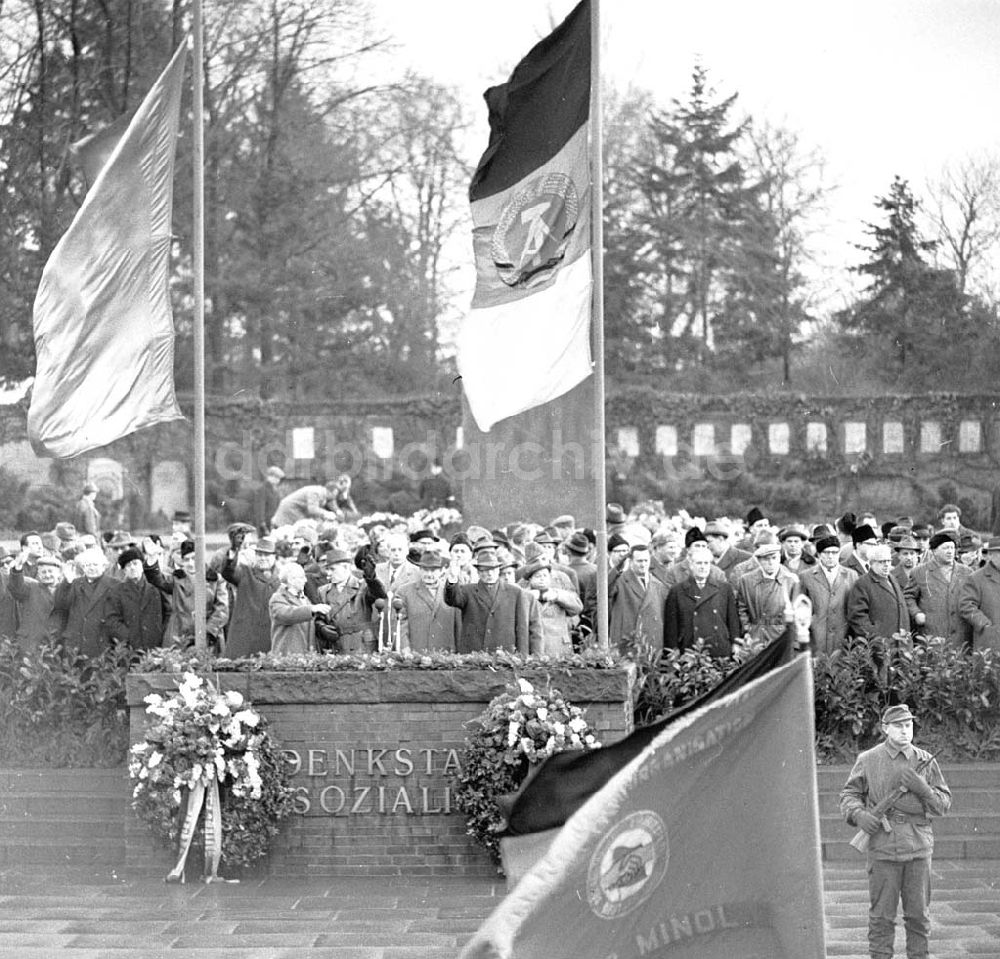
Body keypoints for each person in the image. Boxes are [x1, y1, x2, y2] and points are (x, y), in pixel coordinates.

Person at [839, 703, 951, 959]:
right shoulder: (868, 760)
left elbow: (943, 805)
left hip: (918, 846)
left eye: (908, 725)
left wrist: (923, 789)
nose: (904, 730)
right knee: (881, 918)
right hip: (883, 846)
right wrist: (859, 815)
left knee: (919, 918)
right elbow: (849, 794)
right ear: (885, 728)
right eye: (898, 726)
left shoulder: (925, 760)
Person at [444, 547, 540, 654]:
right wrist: (453, 578)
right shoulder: (468, 591)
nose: (490, 574)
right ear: (479, 572)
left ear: (498, 570)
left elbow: (522, 629)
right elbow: (452, 599)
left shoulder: (515, 593)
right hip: (474, 655)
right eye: (485, 570)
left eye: (493, 569)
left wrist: (522, 657)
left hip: (506, 656)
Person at [142, 539, 229, 652]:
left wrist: (206, 634)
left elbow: (222, 610)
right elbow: (157, 579)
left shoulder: (215, 579)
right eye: (187, 560)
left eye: (194, 558)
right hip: (179, 637)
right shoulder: (177, 578)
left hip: (209, 638)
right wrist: (152, 557)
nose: (191, 563)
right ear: (182, 561)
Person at [664, 540, 740, 656]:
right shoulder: (677, 591)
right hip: (689, 649)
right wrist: (673, 648)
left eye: (706, 563)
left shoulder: (724, 589)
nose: (703, 567)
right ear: (691, 565)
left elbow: (733, 619)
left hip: (719, 647)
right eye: (699, 563)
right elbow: (672, 625)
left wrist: (735, 642)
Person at [904, 532, 970, 648]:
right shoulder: (919, 572)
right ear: (934, 551)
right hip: (932, 635)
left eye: (952, 548)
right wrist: (916, 613)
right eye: (945, 548)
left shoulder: (967, 572)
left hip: (961, 636)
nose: (950, 551)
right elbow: (908, 596)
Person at [314, 548, 386, 653]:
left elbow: (379, 594)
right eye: (327, 569)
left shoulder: (363, 586)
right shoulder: (323, 591)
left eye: (332, 569)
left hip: (361, 645)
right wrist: (321, 627)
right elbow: (319, 617)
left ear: (345, 567)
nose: (328, 573)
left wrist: (371, 578)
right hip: (336, 644)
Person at [796, 534, 858, 655]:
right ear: (819, 555)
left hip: (843, 638)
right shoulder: (806, 576)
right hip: (816, 639)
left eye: (834, 552)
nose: (830, 556)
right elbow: (800, 610)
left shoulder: (851, 575)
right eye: (826, 552)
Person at [221, 536, 281, 658]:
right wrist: (233, 552)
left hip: (269, 639)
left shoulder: (281, 580)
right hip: (244, 640)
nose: (263, 558)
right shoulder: (245, 573)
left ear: (275, 557)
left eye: (267, 555)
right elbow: (228, 572)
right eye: (259, 555)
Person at [736, 533, 800, 643]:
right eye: (766, 559)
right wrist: (747, 630)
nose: (771, 563)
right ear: (759, 561)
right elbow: (742, 609)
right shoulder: (746, 581)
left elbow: (797, 614)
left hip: (781, 637)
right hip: (756, 636)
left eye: (774, 558)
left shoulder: (790, 580)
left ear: (779, 558)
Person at [51, 548, 115, 656]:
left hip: (101, 644)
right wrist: (67, 582)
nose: (91, 568)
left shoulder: (114, 585)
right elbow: (61, 605)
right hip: (76, 645)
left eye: (95, 564)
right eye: (87, 565)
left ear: (103, 566)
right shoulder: (74, 583)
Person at [104, 547, 168, 654]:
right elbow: (112, 621)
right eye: (128, 566)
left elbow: (165, 615)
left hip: (152, 647)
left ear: (142, 566)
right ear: (124, 571)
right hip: (128, 648)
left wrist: (158, 635)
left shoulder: (154, 591)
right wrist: (128, 637)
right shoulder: (116, 592)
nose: (132, 568)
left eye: (135, 563)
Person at [609, 543, 670, 653]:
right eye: (639, 561)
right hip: (626, 644)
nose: (643, 564)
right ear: (631, 561)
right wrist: (616, 569)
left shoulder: (658, 585)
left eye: (646, 561)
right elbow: (605, 591)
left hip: (650, 645)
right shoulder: (620, 581)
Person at [392, 552, 459, 651]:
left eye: (433, 570)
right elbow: (400, 624)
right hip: (415, 654)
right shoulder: (404, 592)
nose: (429, 574)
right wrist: (405, 648)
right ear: (420, 570)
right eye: (425, 570)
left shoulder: (452, 591)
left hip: (446, 655)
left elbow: (458, 625)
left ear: (441, 571)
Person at [521, 554, 582, 657]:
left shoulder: (558, 593)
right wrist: (528, 597)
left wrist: (557, 596)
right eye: (538, 576)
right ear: (530, 579)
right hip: (535, 648)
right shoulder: (524, 594)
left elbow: (578, 607)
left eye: (545, 576)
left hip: (559, 647)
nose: (542, 579)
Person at [848, 544, 911, 640]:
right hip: (879, 645)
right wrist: (875, 639)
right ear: (871, 563)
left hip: (900, 642)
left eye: (888, 561)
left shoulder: (892, 579)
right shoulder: (862, 584)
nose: (886, 565)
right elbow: (857, 617)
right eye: (882, 561)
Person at [6, 550, 62, 653]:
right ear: (38, 574)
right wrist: (17, 569)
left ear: (59, 573)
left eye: (50, 571)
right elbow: (16, 587)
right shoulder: (32, 587)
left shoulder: (65, 590)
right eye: (43, 572)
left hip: (55, 644)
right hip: (31, 644)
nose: (47, 575)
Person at [269, 563, 329, 656]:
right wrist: (312, 609)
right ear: (291, 580)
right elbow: (286, 614)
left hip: (306, 656)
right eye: (301, 577)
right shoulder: (278, 598)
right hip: (286, 657)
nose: (305, 580)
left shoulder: (304, 599)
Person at [958, 536, 1000, 653]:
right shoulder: (976, 578)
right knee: (989, 670)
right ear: (990, 555)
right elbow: (966, 606)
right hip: (990, 642)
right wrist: (985, 625)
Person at [253, 465, 285, 534]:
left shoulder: (276, 491)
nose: (278, 480)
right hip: (265, 525)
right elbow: (260, 509)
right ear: (270, 476)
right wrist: (262, 524)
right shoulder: (262, 489)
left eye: (279, 478)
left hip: (275, 523)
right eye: (277, 477)